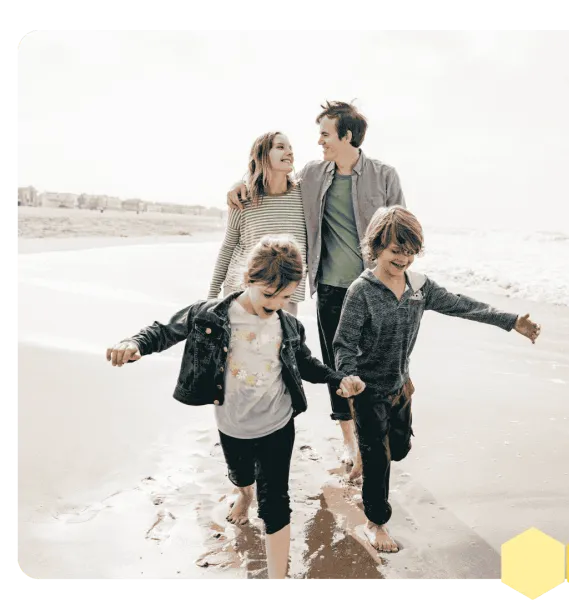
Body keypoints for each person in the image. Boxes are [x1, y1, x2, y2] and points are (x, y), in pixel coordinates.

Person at [105, 235, 365, 580]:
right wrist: (134, 343)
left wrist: (338, 378)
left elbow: (306, 365)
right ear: (248, 280)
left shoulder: (288, 326)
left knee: (276, 503)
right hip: (232, 423)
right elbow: (165, 330)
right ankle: (243, 494)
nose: (274, 304)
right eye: (268, 294)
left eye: (285, 296)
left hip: (278, 422)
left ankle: (277, 576)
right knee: (241, 475)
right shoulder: (210, 314)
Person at [332, 206, 542, 552]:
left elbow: (461, 305)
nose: (403, 259)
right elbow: (344, 343)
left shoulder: (419, 287)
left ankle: (364, 458)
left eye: (410, 252)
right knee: (378, 460)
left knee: (398, 449)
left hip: (401, 387)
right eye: (396, 251)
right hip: (368, 392)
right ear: (377, 247)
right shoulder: (362, 291)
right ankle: (375, 522)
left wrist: (511, 321)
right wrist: (350, 375)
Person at [226, 101, 405, 480]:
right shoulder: (312, 175)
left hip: (374, 289)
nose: (318, 141)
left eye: (325, 134)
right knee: (338, 365)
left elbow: (401, 231)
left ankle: (391, 412)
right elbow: (271, 182)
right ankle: (352, 442)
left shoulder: (385, 176)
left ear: (347, 136)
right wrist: (237, 186)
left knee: (380, 365)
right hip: (329, 288)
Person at [210, 132, 307, 316]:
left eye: (290, 148)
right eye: (280, 147)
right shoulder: (243, 198)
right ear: (262, 155)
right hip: (241, 293)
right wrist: (212, 296)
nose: (289, 152)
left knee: (281, 344)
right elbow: (228, 246)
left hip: (285, 296)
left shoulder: (303, 195)